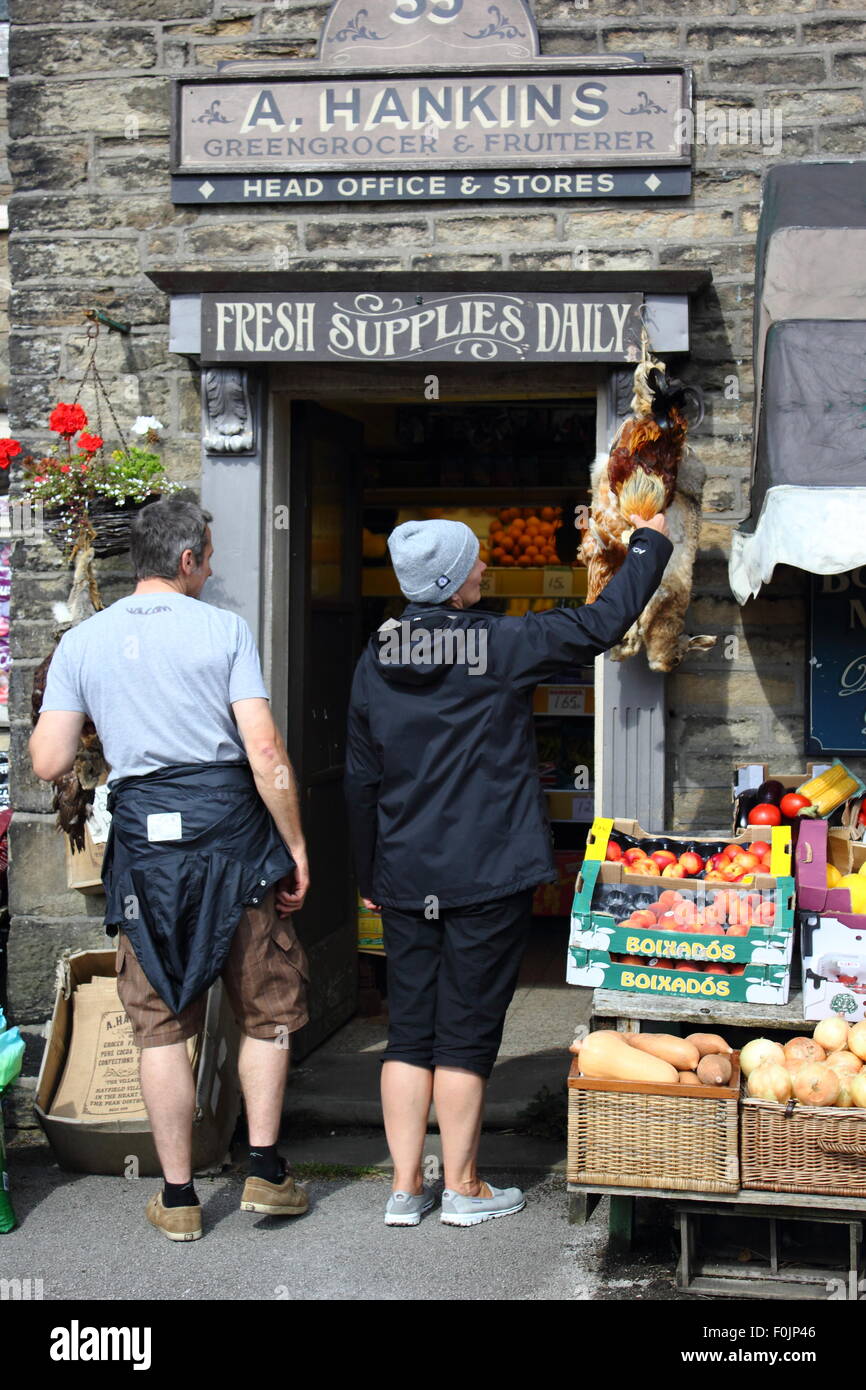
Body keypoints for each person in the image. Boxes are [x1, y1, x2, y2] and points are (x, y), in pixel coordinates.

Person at [345, 510, 672, 1228]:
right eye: (474, 563)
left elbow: (360, 779)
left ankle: (405, 1187)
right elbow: (599, 624)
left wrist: (369, 871)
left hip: (405, 872)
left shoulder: (377, 656)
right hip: (485, 870)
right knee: (464, 1031)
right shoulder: (497, 644)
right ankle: (462, 1187)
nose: (485, 569)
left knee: (411, 1032)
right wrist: (649, 541)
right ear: (451, 580)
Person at [30, 494, 310, 1242]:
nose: (209, 570)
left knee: (158, 1024)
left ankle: (180, 1199)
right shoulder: (223, 630)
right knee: (267, 1005)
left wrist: (106, 710)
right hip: (236, 840)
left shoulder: (85, 641)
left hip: (146, 852)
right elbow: (267, 755)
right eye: (208, 559)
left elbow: (49, 759)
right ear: (187, 561)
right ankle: (264, 1171)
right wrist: (297, 848)